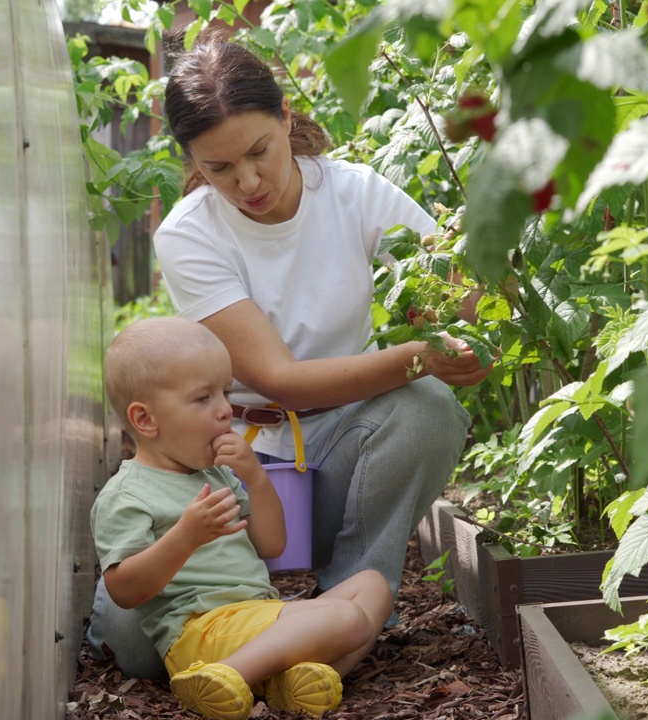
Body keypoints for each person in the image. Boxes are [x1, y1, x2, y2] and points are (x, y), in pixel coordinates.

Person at [86, 33, 491, 678]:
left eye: (258, 153)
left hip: (338, 445)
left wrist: (477, 319)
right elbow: (281, 381)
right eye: (219, 169)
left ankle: (343, 601)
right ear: (191, 159)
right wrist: (420, 354)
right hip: (217, 458)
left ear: (284, 119)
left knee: (426, 410)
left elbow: (462, 298)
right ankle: (311, 641)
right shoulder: (189, 234)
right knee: (136, 647)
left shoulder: (356, 194)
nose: (247, 182)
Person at [92, 316, 393, 720]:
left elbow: (272, 546)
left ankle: (280, 685)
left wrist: (255, 478)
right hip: (201, 633)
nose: (224, 411)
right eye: (203, 398)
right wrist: (185, 537)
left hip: (250, 618)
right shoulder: (127, 493)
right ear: (145, 419)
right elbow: (124, 590)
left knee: (372, 585)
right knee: (347, 619)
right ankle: (224, 674)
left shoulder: (215, 474)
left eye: (226, 392)